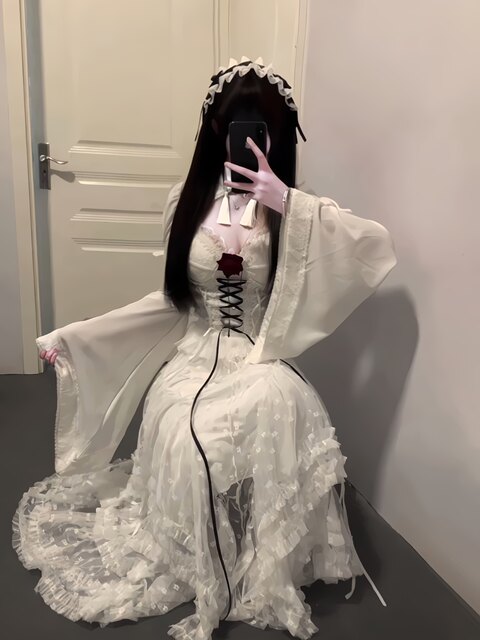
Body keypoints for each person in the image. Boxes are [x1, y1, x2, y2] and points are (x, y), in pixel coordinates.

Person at [13, 56, 397, 640]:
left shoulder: (296, 209)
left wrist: (285, 200)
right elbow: (171, 300)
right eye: (238, 128)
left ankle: (264, 556)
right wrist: (74, 337)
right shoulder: (187, 201)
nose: (250, 141)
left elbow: (373, 247)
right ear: (216, 129)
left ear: (278, 135)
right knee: (191, 437)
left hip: (260, 357)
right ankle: (203, 551)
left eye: (263, 130)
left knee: (283, 403)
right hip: (197, 355)